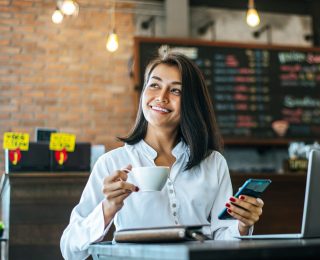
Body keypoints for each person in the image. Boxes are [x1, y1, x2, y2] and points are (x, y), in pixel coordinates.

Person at [60, 52, 265, 259]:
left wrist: (242, 224)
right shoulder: (111, 163)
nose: (161, 97)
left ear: (192, 102)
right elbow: (70, 250)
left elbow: (223, 241)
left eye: (175, 90)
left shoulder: (213, 163)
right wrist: (108, 208)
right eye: (155, 85)